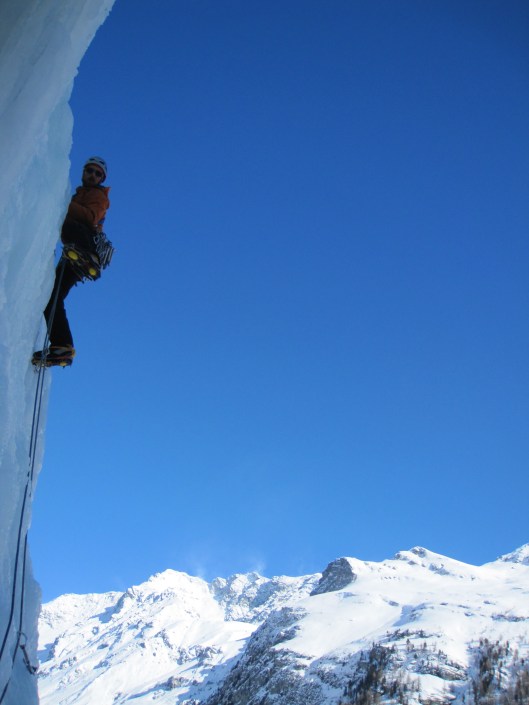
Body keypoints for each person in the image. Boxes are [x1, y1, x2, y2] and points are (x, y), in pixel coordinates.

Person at [33, 157, 111, 367]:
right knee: (51, 297)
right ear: (84, 172)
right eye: (90, 171)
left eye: (97, 173)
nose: (92, 175)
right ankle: (62, 346)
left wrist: (61, 203)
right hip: (74, 254)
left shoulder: (98, 196)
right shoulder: (80, 193)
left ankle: (88, 258)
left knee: (52, 294)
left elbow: (89, 217)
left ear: (102, 178)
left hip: (82, 246)